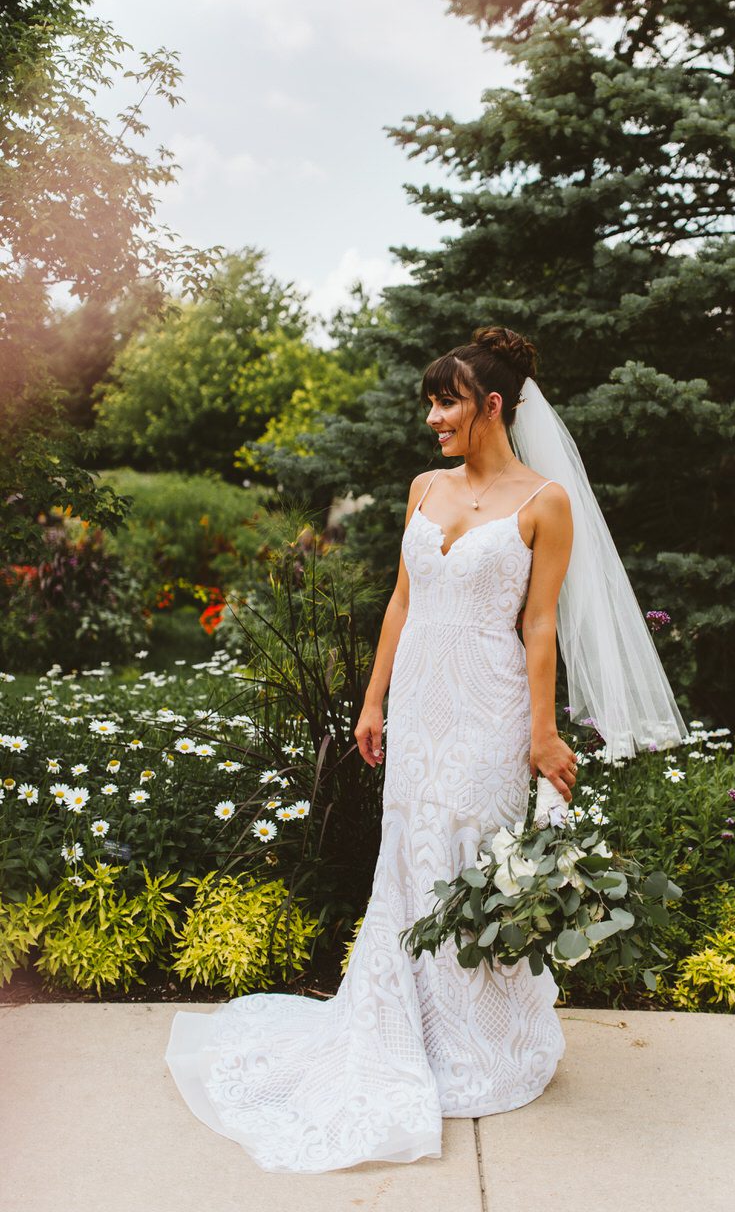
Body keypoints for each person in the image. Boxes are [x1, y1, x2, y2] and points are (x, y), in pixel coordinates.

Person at [164, 326, 577, 1174]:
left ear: (491, 406)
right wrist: (374, 698)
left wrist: (542, 731)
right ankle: (402, 1028)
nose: (432, 417)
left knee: (471, 860)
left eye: (446, 401)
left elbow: (540, 624)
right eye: (431, 401)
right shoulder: (425, 488)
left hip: (490, 706)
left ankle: (483, 1043)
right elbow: (399, 603)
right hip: (421, 702)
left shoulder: (545, 503)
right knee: (410, 857)